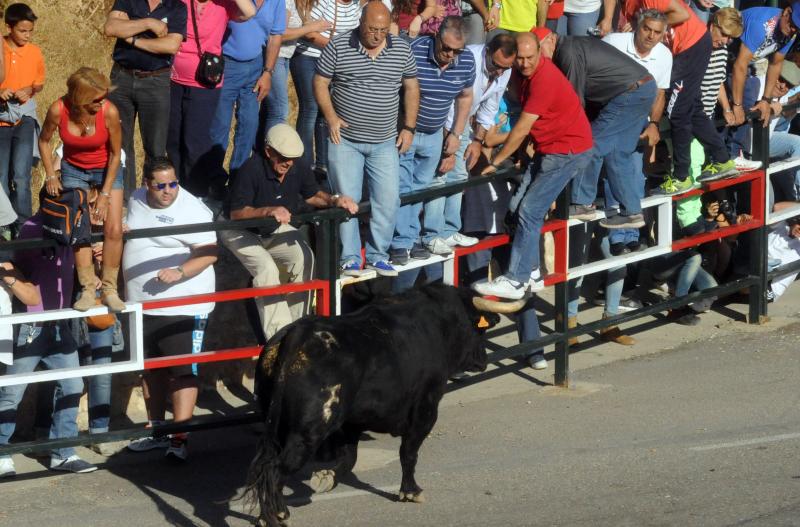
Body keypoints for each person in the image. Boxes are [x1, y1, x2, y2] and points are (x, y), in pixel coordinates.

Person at [473, 31, 593, 300]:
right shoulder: (523, 73)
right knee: (517, 209)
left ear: (540, 52)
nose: (525, 63)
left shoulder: (545, 80)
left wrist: (497, 161)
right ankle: (533, 271)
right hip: (549, 148)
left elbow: (521, 129)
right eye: (521, 58)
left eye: (530, 57)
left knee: (529, 210)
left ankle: (516, 279)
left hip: (566, 151)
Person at [222, 124, 358, 339]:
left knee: (304, 258)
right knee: (266, 269)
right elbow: (236, 214)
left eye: (293, 157)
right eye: (284, 157)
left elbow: (312, 194)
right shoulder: (250, 169)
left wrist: (335, 200)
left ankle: (299, 329)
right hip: (239, 230)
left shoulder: (297, 166)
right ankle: (280, 338)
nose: (289, 162)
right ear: (268, 152)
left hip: (272, 227)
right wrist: (269, 210)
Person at [314, 0, 420, 277]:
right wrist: (331, 117)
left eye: (383, 30)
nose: (377, 35)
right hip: (345, 140)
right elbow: (320, 82)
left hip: (385, 140)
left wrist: (408, 127)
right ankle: (350, 257)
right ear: (361, 24)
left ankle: (377, 254)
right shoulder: (338, 45)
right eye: (372, 29)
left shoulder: (401, 50)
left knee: (388, 199)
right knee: (347, 200)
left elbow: (411, 87)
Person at [123, 156, 218, 461]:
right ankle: (156, 430)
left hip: (183, 304)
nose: (168, 191)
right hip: (143, 304)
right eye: (161, 185)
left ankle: (179, 438)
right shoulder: (136, 199)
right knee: (150, 370)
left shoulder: (193, 209)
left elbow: (209, 253)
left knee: (182, 372)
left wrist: (180, 272)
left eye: (173, 183)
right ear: (146, 184)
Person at [0, 213, 98, 477]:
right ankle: (1, 452)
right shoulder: (33, 228)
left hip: (59, 321)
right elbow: (20, 269)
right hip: (33, 323)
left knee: (72, 385)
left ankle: (63, 453)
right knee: (12, 391)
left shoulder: (77, 223)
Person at [533, 27, 656, 230]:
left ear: (551, 39)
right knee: (618, 154)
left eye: (538, 49)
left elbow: (574, 101)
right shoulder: (573, 45)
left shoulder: (567, 52)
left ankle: (582, 203)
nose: (537, 57)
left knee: (589, 145)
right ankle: (632, 212)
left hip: (628, 93)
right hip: (643, 87)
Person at [623, 0, 736, 195]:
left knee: (677, 111)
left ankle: (681, 177)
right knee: (692, 107)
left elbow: (682, 15)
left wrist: (646, 25)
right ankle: (722, 159)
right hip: (686, 48)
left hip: (691, 44)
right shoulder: (628, 5)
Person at [38, 67, 126, 313]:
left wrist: (105, 194)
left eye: (104, 96)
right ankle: (88, 288)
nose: (102, 102)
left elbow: (116, 153)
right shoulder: (58, 110)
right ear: (80, 98)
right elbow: (44, 140)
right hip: (74, 169)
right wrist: (50, 174)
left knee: (114, 228)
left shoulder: (109, 111)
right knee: (79, 227)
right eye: (96, 99)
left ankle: (110, 288)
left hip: (106, 167)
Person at [421, 33, 516, 257]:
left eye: (506, 67)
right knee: (439, 176)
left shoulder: (505, 69)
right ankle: (432, 235)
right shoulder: (469, 58)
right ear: (487, 51)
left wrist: (476, 140)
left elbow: (491, 106)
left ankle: (449, 230)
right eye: (497, 65)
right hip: (441, 118)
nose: (501, 71)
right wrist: (450, 143)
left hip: (465, 122)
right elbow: (451, 102)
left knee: (459, 174)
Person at [390, 16, 475, 265]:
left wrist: (456, 133)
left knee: (421, 188)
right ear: (436, 36)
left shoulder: (465, 60)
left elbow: (465, 97)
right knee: (402, 188)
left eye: (456, 50)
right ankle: (400, 242)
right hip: (405, 129)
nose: (449, 54)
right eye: (445, 47)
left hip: (435, 133)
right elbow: (396, 89)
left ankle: (412, 237)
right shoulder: (413, 50)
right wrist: (402, 126)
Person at [166, 0, 255, 200]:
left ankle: (196, 195)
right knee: (172, 140)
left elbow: (249, 12)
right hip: (172, 78)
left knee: (195, 142)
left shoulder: (223, 5)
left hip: (204, 83)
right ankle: (174, 193)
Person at [603, 9, 673, 253]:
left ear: (664, 34)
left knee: (635, 175)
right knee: (616, 170)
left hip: (638, 119)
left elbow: (660, 93)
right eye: (647, 29)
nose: (651, 36)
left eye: (657, 32)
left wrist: (654, 123)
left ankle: (630, 234)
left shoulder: (664, 55)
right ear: (637, 27)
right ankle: (617, 236)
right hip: (608, 114)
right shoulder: (613, 42)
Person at [103, 0, 187, 201]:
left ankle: (151, 200)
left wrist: (132, 39)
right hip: (121, 78)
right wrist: (149, 23)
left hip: (155, 81)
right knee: (120, 144)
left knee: (156, 148)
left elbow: (170, 45)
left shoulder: (177, 7)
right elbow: (111, 27)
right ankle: (124, 200)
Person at [209, 0, 286, 187]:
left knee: (249, 125)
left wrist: (268, 72)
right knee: (220, 127)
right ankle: (215, 182)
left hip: (256, 66)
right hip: (227, 63)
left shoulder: (276, 2)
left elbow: (275, 36)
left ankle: (239, 180)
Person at [292, 0, 363, 175]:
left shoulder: (355, 7)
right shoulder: (323, 2)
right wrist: (336, 47)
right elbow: (310, 33)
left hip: (333, 62)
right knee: (310, 108)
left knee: (326, 111)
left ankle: (323, 165)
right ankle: (305, 166)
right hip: (308, 56)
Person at [728, 4, 799, 169]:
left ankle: (733, 152)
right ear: (787, 12)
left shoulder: (791, 34)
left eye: (798, 28)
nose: (793, 30)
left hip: (741, 64)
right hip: (723, 57)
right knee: (750, 89)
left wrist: (766, 100)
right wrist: (737, 105)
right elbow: (740, 64)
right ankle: (733, 154)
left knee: (752, 87)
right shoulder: (763, 25)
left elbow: (776, 63)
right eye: (793, 25)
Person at [0, 3, 44, 223]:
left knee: (21, 175)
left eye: (30, 31)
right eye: (22, 31)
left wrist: (30, 89)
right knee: (1, 178)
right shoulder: (1, 50)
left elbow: (39, 83)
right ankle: (4, 225)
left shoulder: (34, 52)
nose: (27, 36)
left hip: (24, 119)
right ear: (9, 27)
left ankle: (23, 225)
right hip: (1, 120)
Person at [260, 0, 332, 134]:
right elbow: (281, 33)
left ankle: (261, 151)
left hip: (284, 56)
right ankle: (274, 151)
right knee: (279, 110)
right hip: (276, 56)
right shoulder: (287, 2)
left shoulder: (299, 3)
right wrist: (310, 28)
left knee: (269, 108)